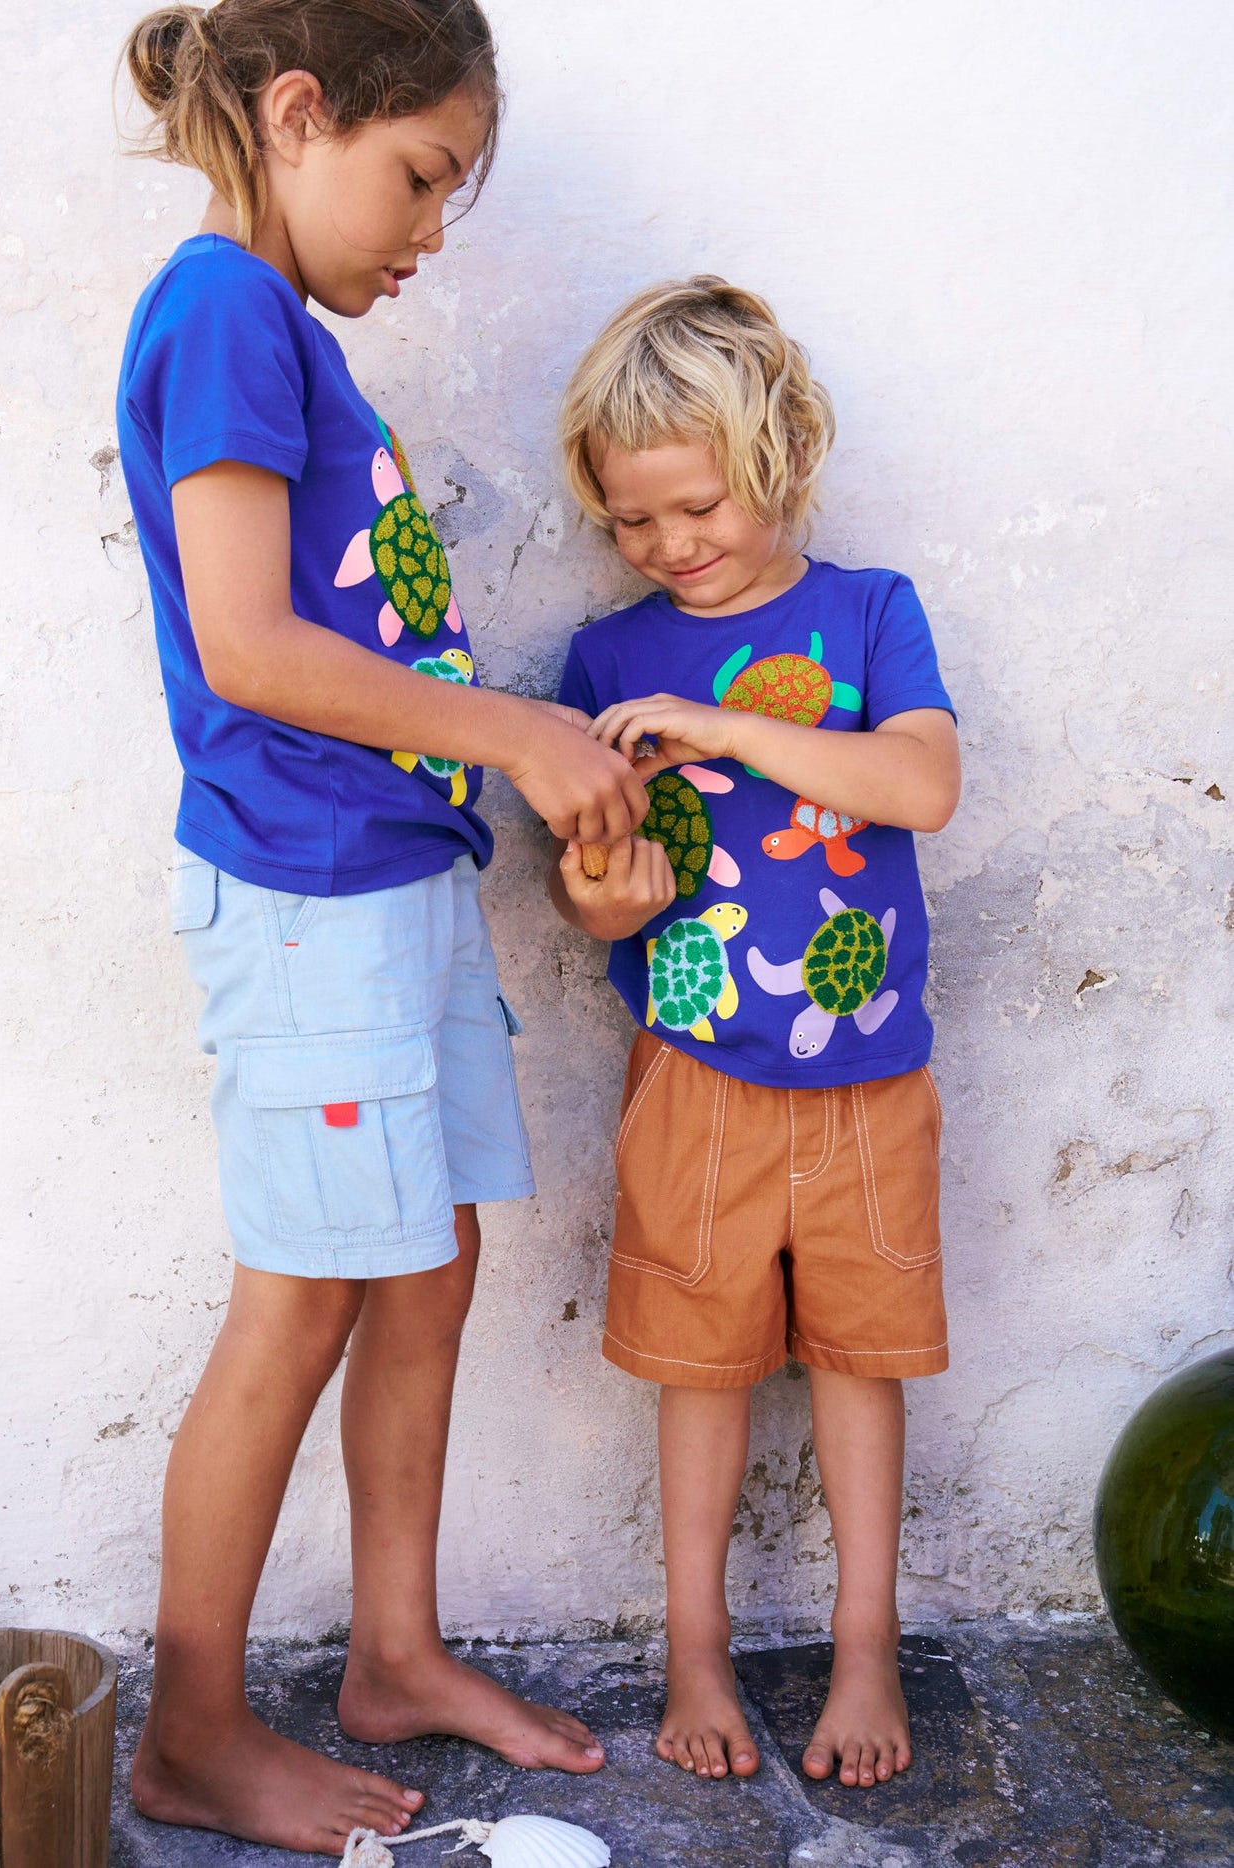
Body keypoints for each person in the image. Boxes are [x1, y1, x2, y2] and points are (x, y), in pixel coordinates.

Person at [114, 3, 644, 1853]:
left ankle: (394, 1654)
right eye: (418, 177)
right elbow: (249, 643)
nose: (428, 232)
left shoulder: (289, 338)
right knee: (305, 1293)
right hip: (305, 895)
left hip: (391, 877)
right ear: (296, 113)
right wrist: (515, 733)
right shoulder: (221, 312)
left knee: (424, 1262)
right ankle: (190, 1729)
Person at [551, 276, 960, 1792]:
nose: (669, 544)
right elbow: (585, 889)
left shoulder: (869, 614)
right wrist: (605, 891)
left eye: (699, 506)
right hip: (695, 1079)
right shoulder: (604, 662)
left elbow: (920, 786)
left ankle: (865, 1649)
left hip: (870, 1080)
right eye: (633, 522)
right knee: (700, 1369)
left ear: (782, 455)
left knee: (861, 1361)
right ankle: (696, 1651)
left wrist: (723, 728)